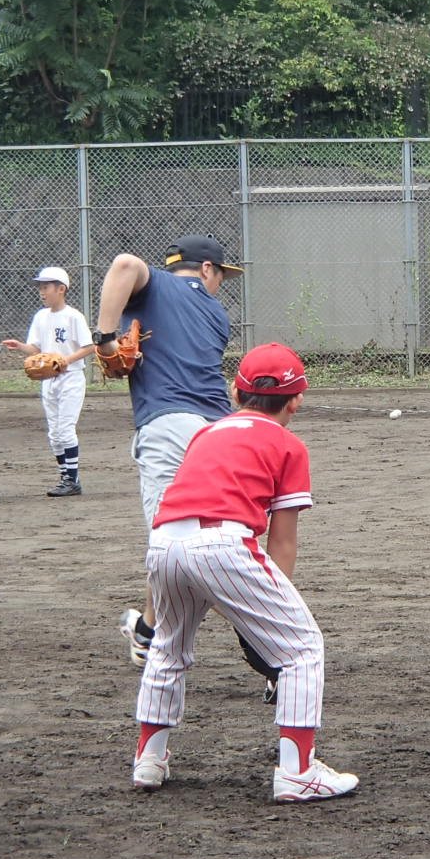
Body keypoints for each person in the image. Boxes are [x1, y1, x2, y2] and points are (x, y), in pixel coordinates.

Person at [131, 342, 359, 803]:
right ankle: (297, 772)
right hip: (222, 543)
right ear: (296, 400)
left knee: (169, 647)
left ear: (236, 394)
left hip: (163, 543)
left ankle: (149, 759)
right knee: (302, 648)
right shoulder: (288, 444)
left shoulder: (206, 433)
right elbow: (282, 540)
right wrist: (272, 615)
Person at [91, 236, 241, 664]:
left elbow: (122, 262)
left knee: (169, 544)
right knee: (209, 537)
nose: (219, 285)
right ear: (208, 269)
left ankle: (162, 640)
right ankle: (148, 629)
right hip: (218, 432)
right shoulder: (216, 315)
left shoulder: (155, 284)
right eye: (221, 277)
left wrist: (104, 339)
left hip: (168, 426)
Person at [0, 265, 95, 496]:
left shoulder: (73, 316)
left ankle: (72, 481)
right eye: (40, 288)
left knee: (65, 429)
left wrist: (66, 360)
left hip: (70, 377)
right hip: (49, 380)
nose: (42, 292)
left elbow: (89, 346)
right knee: (54, 433)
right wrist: (21, 347)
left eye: (46, 287)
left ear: (61, 289)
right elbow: (36, 348)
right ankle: (66, 477)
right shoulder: (40, 317)